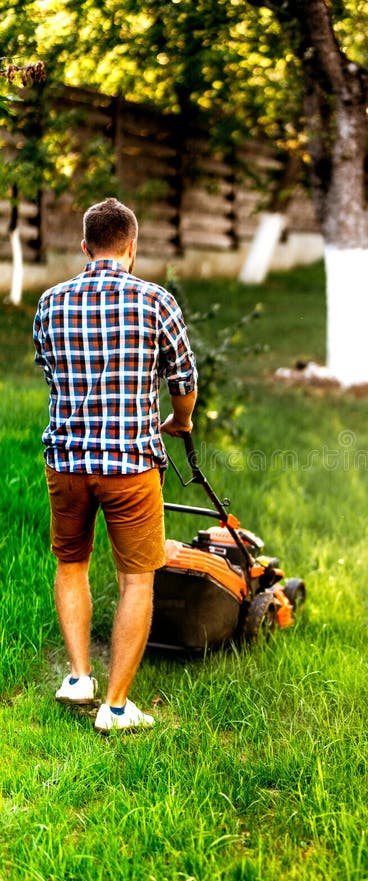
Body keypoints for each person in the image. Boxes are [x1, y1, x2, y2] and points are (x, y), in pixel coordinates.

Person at [33, 197, 197, 734]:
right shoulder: (155, 301)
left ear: (85, 247)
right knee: (136, 580)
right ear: (132, 246)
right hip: (129, 462)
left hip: (67, 461)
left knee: (71, 564)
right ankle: (118, 708)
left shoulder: (50, 303)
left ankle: (79, 677)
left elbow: (51, 374)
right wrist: (181, 421)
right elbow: (184, 382)